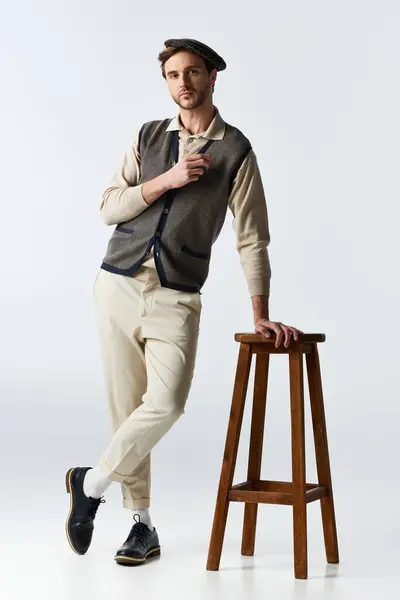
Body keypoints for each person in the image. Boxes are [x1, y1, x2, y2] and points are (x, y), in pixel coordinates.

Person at [65, 37, 303, 566]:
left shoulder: (236, 151)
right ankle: (140, 526)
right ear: (167, 82)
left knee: (165, 404)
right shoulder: (147, 137)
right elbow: (108, 207)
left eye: (193, 73)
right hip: (118, 285)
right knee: (127, 409)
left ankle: (92, 482)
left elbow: (251, 237)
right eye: (173, 75)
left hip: (177, 295)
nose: (183, 84)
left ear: (213, 77)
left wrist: (259, 312)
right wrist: (165, 181)